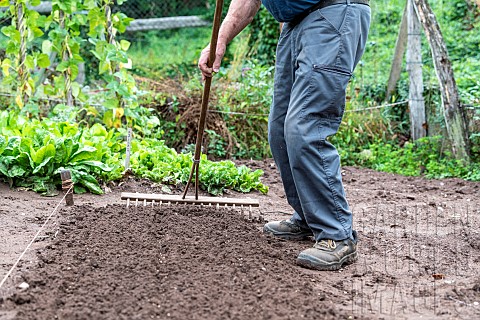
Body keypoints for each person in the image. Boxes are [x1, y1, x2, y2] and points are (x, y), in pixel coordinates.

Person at [198, 0, 371, 271]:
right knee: (279, 131)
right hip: (295, 23)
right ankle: (308, 216)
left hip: (333, 12)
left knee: (305, 127)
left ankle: (336, 233)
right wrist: (219, 41)